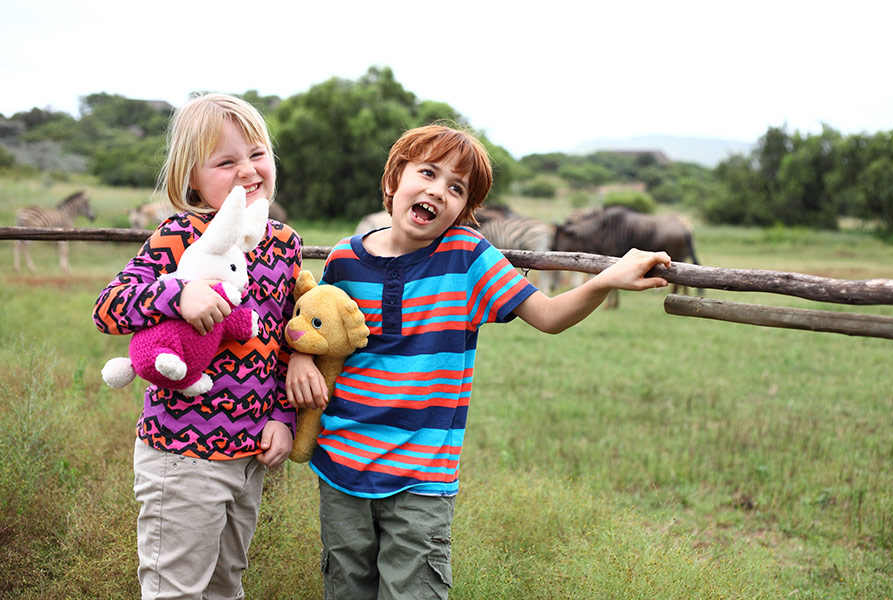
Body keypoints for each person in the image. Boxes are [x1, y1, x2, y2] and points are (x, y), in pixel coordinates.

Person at [289, 123, 672, 599]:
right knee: (345, 589)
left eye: (456, 188)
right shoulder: (345, 258)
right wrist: (300, 359)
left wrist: (605, 280)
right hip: (340, 464)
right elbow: (321, 332)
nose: (438, 190)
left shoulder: (467, 258)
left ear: (463, 210)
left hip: (422, 477)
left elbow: (548, 317)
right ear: (393, 180)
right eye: (427, 172)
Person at [93, 92, 316, 600]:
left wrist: (282, 418)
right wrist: (178, 291)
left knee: (225, 585)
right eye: (226, 161)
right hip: (183, 453)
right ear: (191, 176)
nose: (247, 170)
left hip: (250, 453)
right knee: (175, 588)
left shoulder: (284, 243)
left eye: (257, 154)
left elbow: (280, 340)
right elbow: (109, 307)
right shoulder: (179, 235)